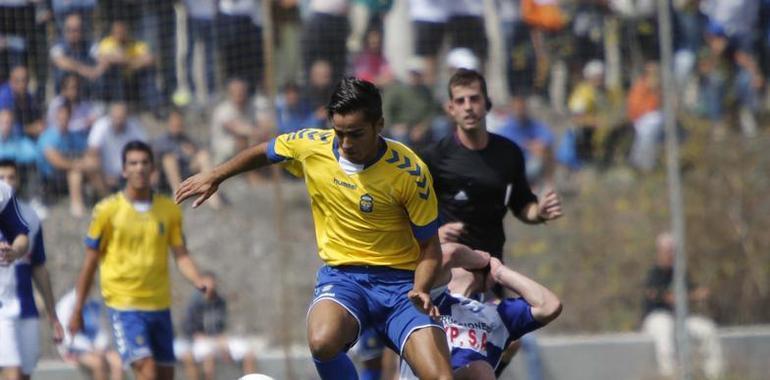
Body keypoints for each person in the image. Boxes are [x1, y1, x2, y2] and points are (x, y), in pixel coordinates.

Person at [175, 77, 454, 380]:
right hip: (345, 278)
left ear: (379, 125)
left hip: (401, 286)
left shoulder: (410, 172)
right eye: (339, 133)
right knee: (322, 341)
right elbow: (266, 151)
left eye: (356, 134)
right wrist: (217, 174)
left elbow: (430, 247)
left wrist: (422, 288)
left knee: (440, 377)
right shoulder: (313, 146)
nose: (346, 143)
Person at [421, 69, 562, 376]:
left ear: (487, 104)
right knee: (437, 336)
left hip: (489, 266)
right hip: (449, 268)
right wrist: (436, 232)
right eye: (461, 100)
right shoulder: (435, 157)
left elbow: (521, 203)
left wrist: (538, 212)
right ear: (450, 108)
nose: (468, 106)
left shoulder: (508, 154)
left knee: (509, 344)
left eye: (474, 99)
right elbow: (411, 211)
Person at [68, 140, 213, 380]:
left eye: (145, 163)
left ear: (153, 169)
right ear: (124, 170)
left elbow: (181, 254)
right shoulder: (107, 211)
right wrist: (77, 309)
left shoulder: (169, 210)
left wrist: (199, 279)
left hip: (159, 305)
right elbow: (90, 263)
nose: (139, 168)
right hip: (124, 304)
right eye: (133, 163)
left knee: (166, 375)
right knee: (146, 370)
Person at [400, 249, 562, 379]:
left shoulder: (496, 314)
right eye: (464, 260)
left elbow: (550, 305)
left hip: (473, 374)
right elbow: (449, 253)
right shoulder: (432, 297)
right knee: (478, 370)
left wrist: (500, 273)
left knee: (479, 370)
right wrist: (479, 257)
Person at [0, 161, 64, 380]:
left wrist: (52, 313)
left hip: (25, 307)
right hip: (2, 307)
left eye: (11, 177)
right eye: (2, 177)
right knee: (13, 372)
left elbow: (38, 265)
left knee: (25, 374)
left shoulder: (30, 216)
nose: (6, 182)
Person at [641, 232, 724, 380]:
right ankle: (670, 375)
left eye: (673, 250)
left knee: (707, 329)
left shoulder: (679, 273)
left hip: (679, 319)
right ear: (659, 252)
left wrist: (695, 294)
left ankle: (715, 375)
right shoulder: (653, 274)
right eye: (667, 251)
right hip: (656, 318)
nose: (670, 254)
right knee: (665, 329)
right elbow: (667, 297)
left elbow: (697, 292)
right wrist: (688, 296)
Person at [154, 108, 221, 209]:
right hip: (168, 177)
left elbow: (198, 153)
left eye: (179, 121)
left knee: (203, 156)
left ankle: (213, 198)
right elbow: (158, 158)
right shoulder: (161, 141)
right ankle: (177, 197)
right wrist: (180, 153)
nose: (178, 123)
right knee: (169, 159)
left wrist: (192, 153)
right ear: (169, 123)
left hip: (186, 171)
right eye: (175, 121)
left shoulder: (187, 139)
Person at [56, 288, 123, 380]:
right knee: (98, 363)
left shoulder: (94, 302)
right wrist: (90, 348)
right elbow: (66, 336)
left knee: (117, 362)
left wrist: (100, 347)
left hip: (97, 348)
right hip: (75, 349)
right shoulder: (66, 305)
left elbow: (103, 329)